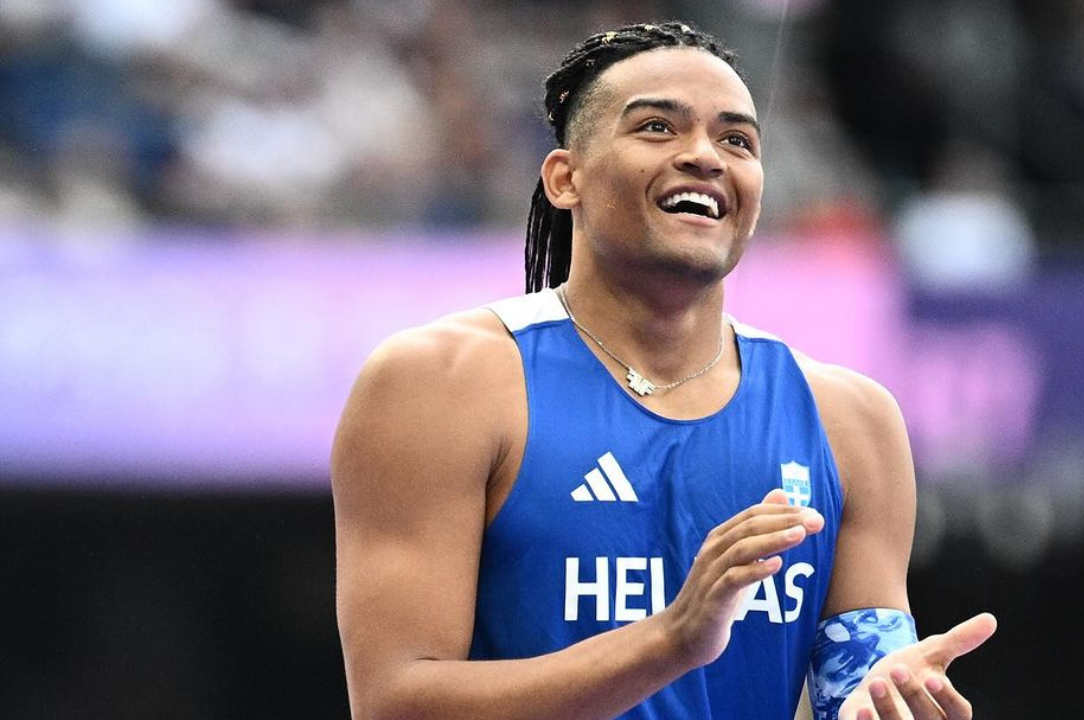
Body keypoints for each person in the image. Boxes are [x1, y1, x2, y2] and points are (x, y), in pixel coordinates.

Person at [331, 21, 996, 720]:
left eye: (737, 140)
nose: (705, 156)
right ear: (565, 178)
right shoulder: (442, 382)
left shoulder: (850, 420)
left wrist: (892, 705)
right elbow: (393, 703)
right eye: (657, 127)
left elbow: (857, 689)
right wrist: (671, 640)